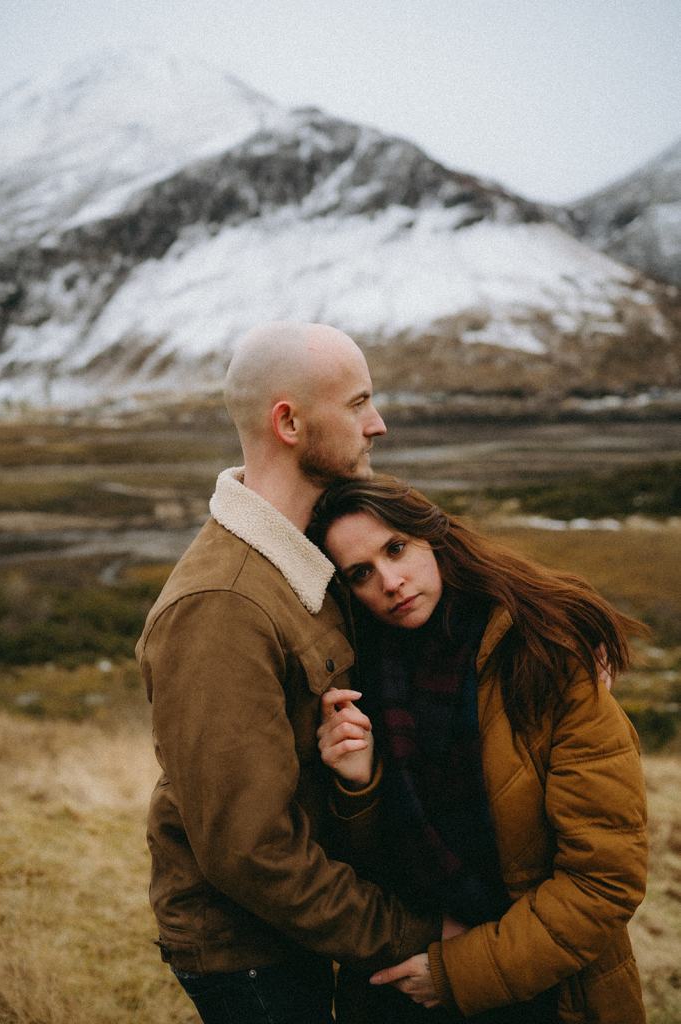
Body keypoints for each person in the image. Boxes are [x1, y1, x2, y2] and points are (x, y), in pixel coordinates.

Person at [135, 323, 443, 1024]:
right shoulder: (221, 607)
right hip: (248, 952)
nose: (378, 424)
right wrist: (410, 937)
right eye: (359, 402)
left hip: (301, 924)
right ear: (290, 422)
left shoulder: (307, 553)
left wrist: (552, 643)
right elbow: (250, 850)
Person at [310, 475, 648, 1024]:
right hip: (402, 987)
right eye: (361, 574)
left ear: (432, 537)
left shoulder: (545, 655)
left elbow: (604, 881)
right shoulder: (359, 679)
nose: (390, 582)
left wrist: (459, 974)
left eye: (396, 549)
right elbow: (369, 863)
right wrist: (357, 782)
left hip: (547, 992)